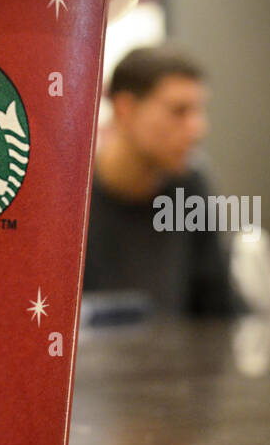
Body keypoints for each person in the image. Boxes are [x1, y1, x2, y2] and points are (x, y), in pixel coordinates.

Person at [82, 45, 243, 318]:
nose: (198, 128)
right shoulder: (70, 200)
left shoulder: (190, 189)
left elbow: (221, 310)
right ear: (125, 110)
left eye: (198, 111)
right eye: (179, 111)